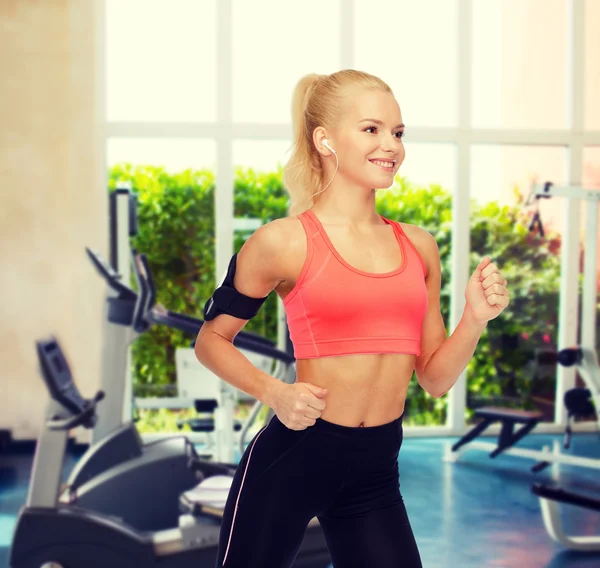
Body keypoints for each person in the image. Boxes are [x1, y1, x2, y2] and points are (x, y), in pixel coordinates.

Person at [195, 69, 510, 568]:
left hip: (375, 472)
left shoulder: (418, 246)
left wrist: (474, 318)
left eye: (398, 132)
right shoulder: (283, 242)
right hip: (294, 460)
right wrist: (275, 393)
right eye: (372, 129)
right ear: (324, 140)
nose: (392, 145)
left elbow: (434, 378)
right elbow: (211, 341)